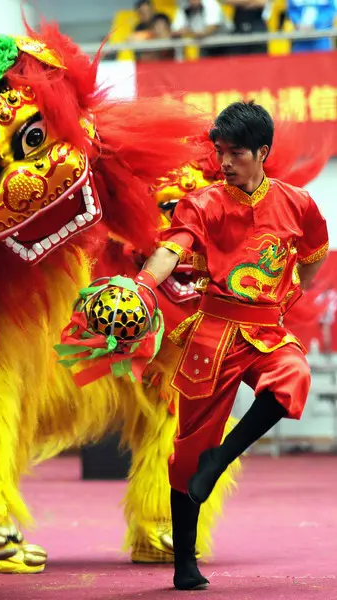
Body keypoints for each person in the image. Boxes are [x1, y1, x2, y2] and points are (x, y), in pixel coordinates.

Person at [134, 101, 329, 590]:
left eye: (236, 152)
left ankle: (220, 459)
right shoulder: (202, 204)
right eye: (220, 151)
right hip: (213, 331)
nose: (224, 162)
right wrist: (141, 285)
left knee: (293, 377)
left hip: (266, 331)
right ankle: (184, 563)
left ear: (262, 152)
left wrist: (291, 292)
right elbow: (171, 250)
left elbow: (313, 254)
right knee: (187, 451)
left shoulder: (297, 203)